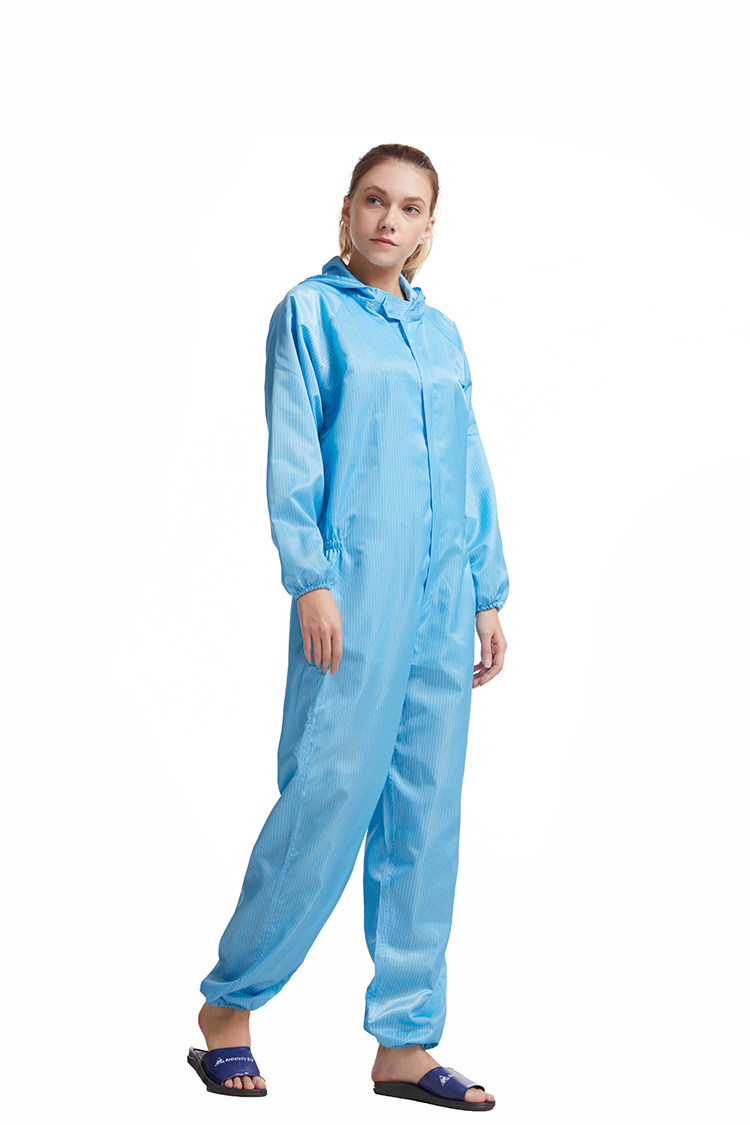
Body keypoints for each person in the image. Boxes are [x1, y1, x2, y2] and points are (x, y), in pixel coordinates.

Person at [187, 143, 509, 1111]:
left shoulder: (442, 335)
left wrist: (488, 590)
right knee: (325, 800)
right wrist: (310, 579)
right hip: (354, 594)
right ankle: (229, 1009)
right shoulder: (310, 314)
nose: (389, 220)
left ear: (428, 227)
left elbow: (470, 463)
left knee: (425, 819)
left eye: (409, 207)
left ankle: (405, 1043)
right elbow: (294, 451)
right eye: (375, 200)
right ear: (348, 208)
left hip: (445, 600)